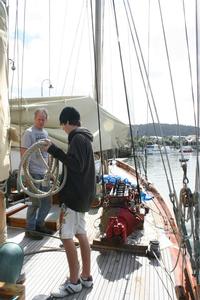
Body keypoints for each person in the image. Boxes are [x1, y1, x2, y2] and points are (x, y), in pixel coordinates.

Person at [44, 106, 96, 297]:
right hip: (83, 197)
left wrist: (53, 150)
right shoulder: (85, 139)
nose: (63, 128)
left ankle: (74, 283)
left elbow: (75, 165)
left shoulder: (76, 138)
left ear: (66, 122)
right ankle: (86, 276)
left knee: (66, 237)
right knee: (81, 233)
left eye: (62, 125)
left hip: (73, 198)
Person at [20, 108, 52, 240]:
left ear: (46, 119)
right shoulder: (28, 133)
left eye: (43, 119)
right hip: (33, 172)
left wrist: (49, 170)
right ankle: (30, 229)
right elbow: (23, 152)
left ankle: (40, 224)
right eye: (39, 119)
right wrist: (26, 174)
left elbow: (48, 153)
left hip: (44, 173)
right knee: (35, 202)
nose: (41, 121)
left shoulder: (45, 132)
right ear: (34, 119)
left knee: (47, 202)